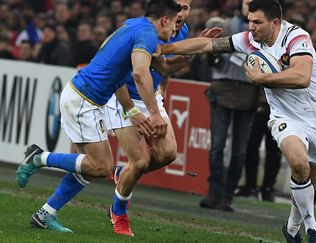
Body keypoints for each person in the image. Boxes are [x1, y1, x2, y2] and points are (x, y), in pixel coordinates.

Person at [159, 0, 316, 242]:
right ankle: (313, 230)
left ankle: (293, 226)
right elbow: (208, 44)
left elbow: (301, 77)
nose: (251, 27)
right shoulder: (250, 39)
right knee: (299, 163)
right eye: (249, 21)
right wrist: (165, 49)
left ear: (275, 23)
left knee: (308, 181)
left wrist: (264, 78)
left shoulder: (296, 37)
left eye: (257, 22)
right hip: (284, 116)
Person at [15, 0, 181, 234]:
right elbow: (140, 73)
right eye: (174, 22)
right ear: (165, 19)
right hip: (84, 100)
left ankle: (45, 214)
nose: (175, 28)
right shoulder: (147, 33)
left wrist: (133, 111)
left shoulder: (132, 25)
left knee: (91, 167)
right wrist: (154, 113)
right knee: (101, 166)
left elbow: (120, 76)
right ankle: (39, 158)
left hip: (88, 99)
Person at [104, 0, 221, 236]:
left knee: (167, 154)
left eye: (186, 7)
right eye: (178, 5)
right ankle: (119, 214)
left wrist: (166, 85)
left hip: (149, 97)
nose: (181, 11)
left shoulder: (182, 31)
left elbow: (165, 67)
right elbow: (140, 69)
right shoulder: (148, 29)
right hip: (123, 94)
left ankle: (122, 174)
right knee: (140, 162)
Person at [198, 0, 260, 213]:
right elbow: (209, 59)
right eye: (247, 2)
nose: (249, 5)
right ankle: (214, 191)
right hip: (223, 87)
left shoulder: (265, 33)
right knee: (217, 146)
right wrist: (210, 54)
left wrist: (262, 98)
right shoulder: (225, 26)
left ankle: (227, 195)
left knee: (238, 152)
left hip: (249, 93)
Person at [236, 88, 282, 202]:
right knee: (252, 147)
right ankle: (252, 186)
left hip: (278, 106)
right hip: (261, 105)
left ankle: (267, 188)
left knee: (274, 151)